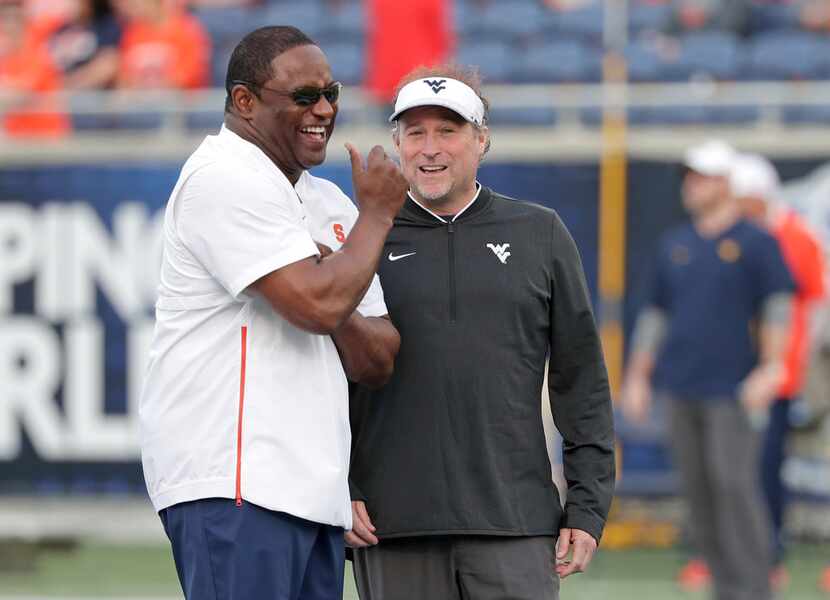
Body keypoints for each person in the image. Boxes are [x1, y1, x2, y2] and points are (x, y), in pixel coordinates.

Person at [139, 25, 408, 600]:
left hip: (311, 490)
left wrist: (334, 278)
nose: (324, 109)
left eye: (331, 93)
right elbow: (315, 305)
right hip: (233, 480)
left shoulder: (332, 203)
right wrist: (376, 222)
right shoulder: (223, 176)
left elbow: (378, 359)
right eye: (305, 96)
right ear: (244, 102)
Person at [347, 64, 616, 600]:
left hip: (515, 520)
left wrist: (587, 507)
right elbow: (324, 376)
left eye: (448, 131)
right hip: (391, 524)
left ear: (482, 140)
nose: (430, 148)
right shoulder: (362, 238)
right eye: (415, 132)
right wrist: (342, 486)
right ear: (396, 143)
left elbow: (580, 378)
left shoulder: (539, 232)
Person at [622, 139, 795, 600]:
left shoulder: (757, 241)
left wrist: (771, 366)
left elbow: (778, 305)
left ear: (724, 182)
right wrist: (639, 376)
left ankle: (754, 589)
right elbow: (656, 313)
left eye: (701, 178)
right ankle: (725, 588)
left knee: (735, 490)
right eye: (689, 178)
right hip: (682, 385)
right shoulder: (676, 244)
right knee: (700, 495)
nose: (692, 187)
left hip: (733, 387)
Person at [730, 152, 826, 589]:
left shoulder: (795, 237)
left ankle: (770, 557)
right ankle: (733, 555)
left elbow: (814, 305)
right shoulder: (742, 236)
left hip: (780, 375)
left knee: (766, 468)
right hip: (735, 371)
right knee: (731, 467)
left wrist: (801, 367)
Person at [114, 0, 210, 89]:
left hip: (180, 103)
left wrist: (159, 86)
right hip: (140, 101)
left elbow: (192, 73)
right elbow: (124, 74)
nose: (138, 9)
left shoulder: (186, 30)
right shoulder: (133, 33)